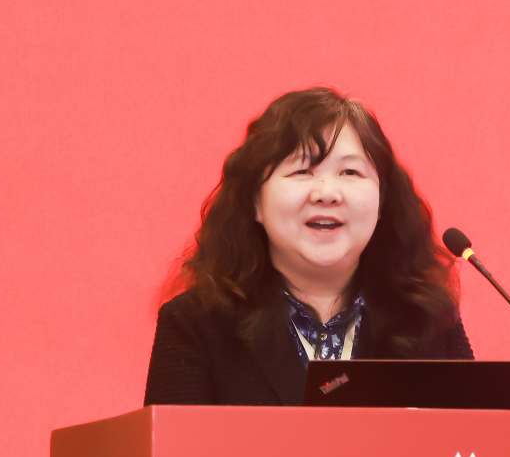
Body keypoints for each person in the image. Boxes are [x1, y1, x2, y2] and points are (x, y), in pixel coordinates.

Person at [144, 87, 472, 406]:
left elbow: (473, 436)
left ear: (382, 201)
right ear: (255, 202)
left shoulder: (429, 319)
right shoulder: (194, 325)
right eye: (302, 170)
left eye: (350, 171)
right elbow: (172, 445)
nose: (327, 193)